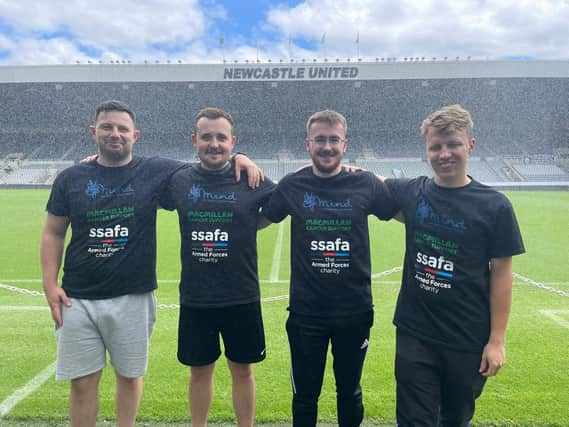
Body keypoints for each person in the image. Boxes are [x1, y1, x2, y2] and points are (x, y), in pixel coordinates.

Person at [40, 100, 260, 427]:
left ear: (135, 135)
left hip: (134, 295)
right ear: (93, 131)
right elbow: (53, 232)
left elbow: (209, 159)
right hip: (78, 296)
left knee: (129, 377)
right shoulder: (71, 177)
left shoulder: (156, 171)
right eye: (107, 127)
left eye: (122, 129)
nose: (115, 134)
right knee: (82, 383)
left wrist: (240, 156)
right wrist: (50, 284)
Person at [383, 104, 525, 426]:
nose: (444, 153)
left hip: (467, 338)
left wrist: (497, 340)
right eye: (436, 146)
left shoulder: (495, 206)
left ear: (470, 146)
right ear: (426, 150)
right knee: (413, 421)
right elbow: (364, 181)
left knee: (455, 419)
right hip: (415, 333)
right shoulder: (412, 192)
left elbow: (502, 274)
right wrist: (240, 159)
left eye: (453, 144)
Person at [262, 110, 398, 427]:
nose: (327, 147)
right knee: (305, 396)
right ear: (308, 144)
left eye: (333, 139)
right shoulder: (293, 184)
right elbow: (258, 218)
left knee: (349, 391)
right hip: (307, 312)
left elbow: (402, 212)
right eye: (320, 140)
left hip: (355, 310)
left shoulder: (364, 183)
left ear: (345, 144)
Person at [159, 107, 275, 427]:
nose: (214, 144)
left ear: (232, 141)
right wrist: (94, 166)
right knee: (199, 371)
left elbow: (283, 204)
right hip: (197, 297)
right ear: (194, 140)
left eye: (221, 138)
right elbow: (132, 171)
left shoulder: (251, 178)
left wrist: (245, 159)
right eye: (206, 137)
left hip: (241, 294)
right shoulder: (179, 179)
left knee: (243, 369)